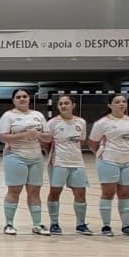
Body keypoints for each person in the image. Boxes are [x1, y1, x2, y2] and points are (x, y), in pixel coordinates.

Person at [0, 88, 48, 236]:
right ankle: (9, 224)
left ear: (29, 98)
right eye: (18, 97)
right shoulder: (8, 116)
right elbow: (3, 137)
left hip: (36, 157)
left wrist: (38, 135)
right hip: (15, 156)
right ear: (13, 100)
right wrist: (25, 134)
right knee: (14, 191)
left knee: (35, 192)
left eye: (25, 96)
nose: (22, 99)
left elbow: (48, 137)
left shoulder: (38, 115)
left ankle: (37, 225)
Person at [90, 93, 129, 236]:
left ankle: (126, 226)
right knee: (108, 194)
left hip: (128, 161)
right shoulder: (102, 123)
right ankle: (106, 226)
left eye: (124, 101)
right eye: (117, 102)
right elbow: (92, 142)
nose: (121, 104)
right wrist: (102, 155)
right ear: (110, 105)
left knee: (125, 194)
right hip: (108, 161)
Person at [43, 94, 91, 236]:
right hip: (58, 162)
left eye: (66, 103)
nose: (63, 106)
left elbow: (81, 141)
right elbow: (46, 143)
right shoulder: (52, 123)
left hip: (77, 162)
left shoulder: (81, 122)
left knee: (80, 193)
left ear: (73, 105)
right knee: (55, 192)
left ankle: (81, 224)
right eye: (61, 104)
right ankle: (54, 224)